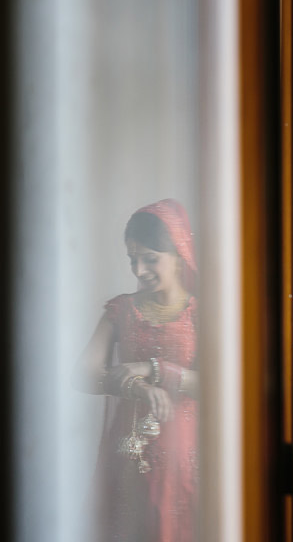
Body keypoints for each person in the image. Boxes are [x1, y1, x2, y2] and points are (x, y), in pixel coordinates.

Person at [75, 199, 198, 542]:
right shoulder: (122, 309)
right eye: (133, 260)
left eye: (150, 259)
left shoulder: (199, 313)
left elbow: (218, 385)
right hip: (129, 450)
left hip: (184, 452)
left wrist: (153, 370)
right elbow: (83, 374)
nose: (139, 270)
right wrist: (137, 388)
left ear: (178, 253)